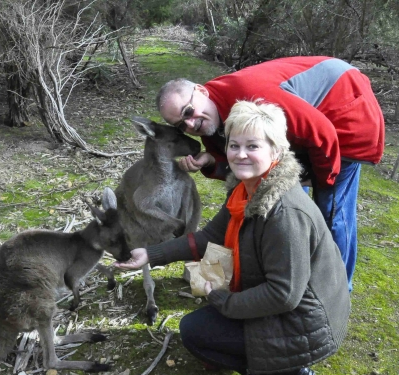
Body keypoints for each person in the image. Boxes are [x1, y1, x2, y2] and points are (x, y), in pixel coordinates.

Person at [115, 100, 350, 375]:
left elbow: (284, 295)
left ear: (275, 150)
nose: (240, 155)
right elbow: (209, 237)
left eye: (252, 146)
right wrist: (150, 254)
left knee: (194, 332)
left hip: (306, 322)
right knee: (200, 327)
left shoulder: (285, 214)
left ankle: (283, 374)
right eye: (234, 145)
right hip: (287, 306)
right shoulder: (246, 189)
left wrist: (223, 301)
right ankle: (274, 361)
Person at [156, 56, 385, 292]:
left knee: (332, 210)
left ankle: (336, 290)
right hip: (299, 130)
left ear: (201, 91)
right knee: (282, 207)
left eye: (189, 111)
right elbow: (243, 173)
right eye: (181, 125)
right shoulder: (210, 119)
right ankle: (290, 272)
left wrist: (321, 182)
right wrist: (211, 161)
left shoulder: (251, 94)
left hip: (343, 107)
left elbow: (322, 133)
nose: (191, 124)